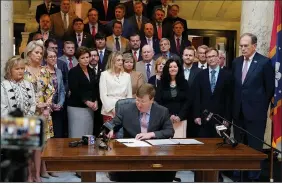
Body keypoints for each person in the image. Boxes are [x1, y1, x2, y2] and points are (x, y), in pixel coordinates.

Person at [107, 83, 175, 182]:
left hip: (154, 152)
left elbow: (169, 131)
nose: (139, 104)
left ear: (152, 100)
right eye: (137, 100)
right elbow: (113, 123)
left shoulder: (162, 111)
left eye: (143, 101)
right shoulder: (125, 109)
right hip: (131, 153)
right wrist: (110, 128)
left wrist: (151, 134)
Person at [232, 33, 275, 182]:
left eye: (246, 46)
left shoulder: (264, 62)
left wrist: (261, 107)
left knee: (254, 147)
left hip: (255, 114)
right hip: (238, 112)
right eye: (241, 46)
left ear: (254, 46)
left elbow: (269, 89)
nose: (243, 48)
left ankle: (253, 178)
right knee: (237, 146)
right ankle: (238, 176)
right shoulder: (236, 62)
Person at [24, 40, 55, 182]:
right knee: (28, 145)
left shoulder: (45, 71)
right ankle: (30, 174)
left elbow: (51, 91)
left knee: (41, 145)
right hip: (28, 112)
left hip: (44, 114)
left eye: (41, 53)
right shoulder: (22, 69)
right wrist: (36, 105)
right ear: (29, 53)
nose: (39, 55)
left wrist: (47, 106)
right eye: (36, 52)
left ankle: (39, 173)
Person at [193, 47, 232, 138]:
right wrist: (196, 115)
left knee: (221, 147)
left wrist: (227, 118)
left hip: (221, 118)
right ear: (206, 59)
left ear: (218, 57)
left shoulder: (227, 75)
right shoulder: (200, 75)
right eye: (208, 57)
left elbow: (229, 98)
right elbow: (197, 96)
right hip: (204, 118)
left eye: (213, 56)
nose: (211, 58)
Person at [67, 46, 98, 138]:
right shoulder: (73, 72)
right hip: (76, 107)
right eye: (82, 58)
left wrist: (95, 100)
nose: (86, 60)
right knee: (77, 134)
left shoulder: (91, 71)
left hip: (90, 108)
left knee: (88, 135)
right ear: (78, 59)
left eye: (87, 57)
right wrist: (87, 101)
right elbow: (75, 90)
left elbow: (94, 88)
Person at [155, 59, 190, 138]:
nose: (173, 69)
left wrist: (180, 116)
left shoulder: (184, 83)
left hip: (181, 119)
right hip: (166, 119)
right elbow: (158, 102)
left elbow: (188, 101)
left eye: (175, 66)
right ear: (167, 69)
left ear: (179, 68)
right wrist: (169, 115)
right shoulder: (161, 83)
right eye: (170, 67)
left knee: (180, 145)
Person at [99, 52, 132, 123]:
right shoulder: (104, 75)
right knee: (110, 133)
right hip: (109, 111)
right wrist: (112, 109)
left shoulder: (127, 76)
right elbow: (103, 95)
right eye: (118, 60)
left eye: (121, 60)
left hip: (124, 110)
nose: (121, 62)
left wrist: (126, 109)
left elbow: (129, 95)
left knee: (122, 133)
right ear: (112, 61)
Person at [44, 48, 65, 138]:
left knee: (58, 134)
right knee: (48, 135)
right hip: (46, 107)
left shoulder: (59, 71)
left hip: (58, 107)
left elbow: (62, 90)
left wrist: (60, 104)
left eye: (55, 56)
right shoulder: (42, 71)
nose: (53, 58)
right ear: (45, 59)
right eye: (50, 57)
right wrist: (50, 105)